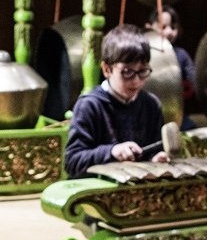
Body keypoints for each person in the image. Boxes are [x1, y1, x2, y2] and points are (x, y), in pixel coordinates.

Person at [64, 24, 169, 178]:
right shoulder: (90, 105)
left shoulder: (151, 104)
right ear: (107, 69)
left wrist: (155, 158)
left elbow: (154, 149)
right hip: (97, 188)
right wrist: (112, 151)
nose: (136, 81)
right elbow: (72, 162)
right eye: (127, 72)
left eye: (142, 71)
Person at [145, 6, 197, 130]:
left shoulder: (181, 55)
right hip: (146, 111)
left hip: (174, 113)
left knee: (191, 129)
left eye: (173, 27)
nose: (169, 32)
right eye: (163, 27)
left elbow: (193, 81)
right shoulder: (143, 53)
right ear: (148, 27)